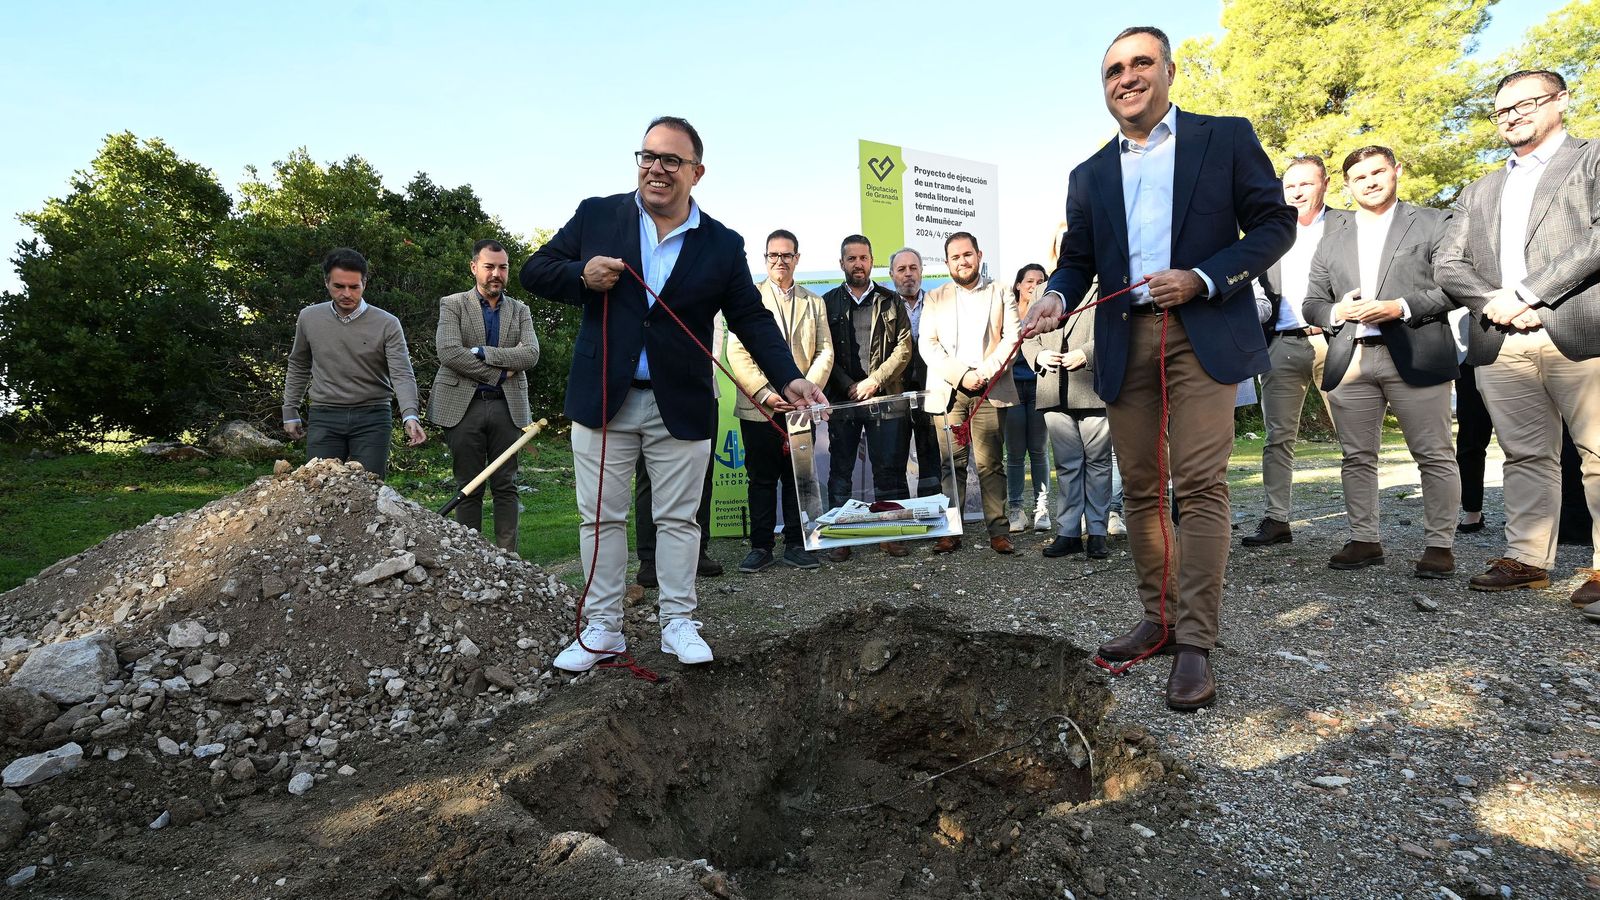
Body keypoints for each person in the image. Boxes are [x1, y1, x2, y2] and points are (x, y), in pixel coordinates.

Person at [1023, 26, 1295, 710]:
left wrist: (1205, 276)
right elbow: (1077, 259)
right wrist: (1055, 295)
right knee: (1140, 489)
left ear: (1169, 71)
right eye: (1114, 69)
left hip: (1203, 330)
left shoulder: (1224, 136)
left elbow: (1273, 225)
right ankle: (1159, 618)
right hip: (1124, 340)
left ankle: (1197, 644)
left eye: (1141, 63)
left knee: (1198, 485)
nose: (1127, 76)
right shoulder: (1087, 175)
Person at [519, 116, 826, 671]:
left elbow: (751, 320)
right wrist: (581, 276)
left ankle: (678, 621)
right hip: (603, 396)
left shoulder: (723, 244)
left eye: (671, 161)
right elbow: (535, 271)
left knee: (680, 520)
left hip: (680, 401)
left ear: (696, 172)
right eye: (647, 157)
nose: (656, 169)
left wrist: (788, 378)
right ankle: (602, 630)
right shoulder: (597, 214)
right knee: (600, 519)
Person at [1435, 69, 1600, 611]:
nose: (1513, 116)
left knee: (1597, 455)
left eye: (1526, 104)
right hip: (1499, 338)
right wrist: (1494, 303)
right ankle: (1528, 559)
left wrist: (1529, 294)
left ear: (1562, 100)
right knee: (1525, 455)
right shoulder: (1481, 188)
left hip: (1578, 328)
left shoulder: (1591, 159)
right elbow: (1448, 263)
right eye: (1502, 110)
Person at [1302, 146, 1461, 578]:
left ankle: (1439, 545)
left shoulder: (1435, 222)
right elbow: (1312, 303)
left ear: (1397, 172)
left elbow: (1453, 287)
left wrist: (1400, 307)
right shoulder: (1331, 241)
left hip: (1416, 352)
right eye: (1359, 177)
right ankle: (1364, 539)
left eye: (1378, 172)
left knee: (1433, 453)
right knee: (1356, 456)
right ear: (1348, 185)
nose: (1370, 181)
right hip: (1351, 358)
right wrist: (1338, 313)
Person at [1242, 155, 1350, 548]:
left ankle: (1362, 528)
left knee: (1353, 436)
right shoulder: (1267, 234)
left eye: (1306, 183)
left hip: (1337, 338)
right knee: (1277, 438)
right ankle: (1276, 520)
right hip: (1281, 343)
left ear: (1324, 185)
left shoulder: (1348, 226)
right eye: (1290, 185)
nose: (1297, 191)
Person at [727, 229, 833, 572]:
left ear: (797, 259)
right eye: (773, 255)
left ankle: (796, 543)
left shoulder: (814, 302)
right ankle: (760, 546)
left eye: (786, 255)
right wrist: (767, 394)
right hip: (760, 408)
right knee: (760, 479)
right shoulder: (747, 297)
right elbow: (737, 352)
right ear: (765, 259)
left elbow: (825, 351)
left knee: (796, 479)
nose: (779, 261)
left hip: (801, 410)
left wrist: (806, 390)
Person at [428, 239, 540, 552]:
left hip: (508, 407)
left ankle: (508, 559)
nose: (496, 273)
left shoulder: (520, 310)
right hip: (463, 407)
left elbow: (530, 355)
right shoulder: (452, 304)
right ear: (474, 267)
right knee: (469, 485)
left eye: (502, 267)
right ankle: (472, 558)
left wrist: (481, 352)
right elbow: (449, 352)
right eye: (489, 266)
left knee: (506, 484)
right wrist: (501, 371)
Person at [282, 247, 427, 478]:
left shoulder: (387, 323)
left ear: (365, 284)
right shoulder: (309, 317)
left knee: (369, 489)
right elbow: (299, 364)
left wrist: (410, 415)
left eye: (354, 286)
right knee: (318, 488)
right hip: (324, 416)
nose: (346, 293)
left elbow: (402, 373)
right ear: (326, 283)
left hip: (373, 417)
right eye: (339, 286)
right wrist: (290, 410)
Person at [921, 231, 1021, 555]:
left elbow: (1012, 339)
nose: (962, 261)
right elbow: (928, 344)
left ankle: (999, 532)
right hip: (949, 390)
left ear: (978, 255)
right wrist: (962, 374)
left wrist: (984, 373)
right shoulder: (935, 297)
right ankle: (950, 531)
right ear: (947, 262)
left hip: (989, 388)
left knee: (991, 464)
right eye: (955, 257)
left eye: (967, 254)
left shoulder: (1002, 290)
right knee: (952, 464)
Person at [820, 235, 913, 561]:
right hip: (843, 401)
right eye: (851, 258)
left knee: (889, 469)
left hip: (884, 398)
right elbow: (824, 351)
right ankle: (840, 536)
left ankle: (890, 533)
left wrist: (873, 381)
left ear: (871, 261)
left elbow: (904, 349)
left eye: (863, 258)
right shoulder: (827, 302)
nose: (857, 264)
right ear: (842, 263)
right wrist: (848, 385)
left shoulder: (891, 301)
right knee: (841, 470)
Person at [1025, 275, 1111, 559]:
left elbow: (1118, 330)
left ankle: (1097, 533)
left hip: (1092, 389)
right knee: (1067, 465)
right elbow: (1025, 335)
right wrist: (1039, 356)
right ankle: (1069, 532)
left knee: (1098, 464)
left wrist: (1087, 354)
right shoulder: (1041, 290)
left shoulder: (1109, 282)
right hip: (1053, 388)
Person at [887, 247, 946, 500]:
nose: (908, 274)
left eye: (913, 268)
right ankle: (899, 519)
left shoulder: (938, 303)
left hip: (931, 392)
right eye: (901, 269)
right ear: (892, 274)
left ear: (921, 271)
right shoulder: (884, 305)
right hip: (894, 394)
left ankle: (930, 514)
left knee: (931, 456)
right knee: (894, 459)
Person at [1005, 264, 1053, 533]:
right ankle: (1015, 510)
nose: (1034, 285)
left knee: (1038, 450)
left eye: (1040, 280)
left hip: (1039, 386)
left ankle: (1041, 508)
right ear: (1018, 285)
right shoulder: (1007, 313)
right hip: (1011, 388)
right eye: (1029, 281)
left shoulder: (1049, 312)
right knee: (1013, 453)